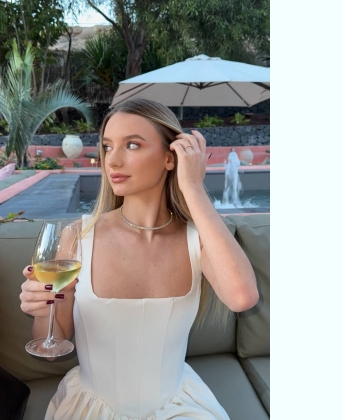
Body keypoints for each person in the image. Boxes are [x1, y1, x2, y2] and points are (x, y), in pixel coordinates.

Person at [20, 98, 259, 419]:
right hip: (92, 407)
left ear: (170, 158)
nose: (113, 160)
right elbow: (52, 344)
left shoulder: (198, 239)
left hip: (179, 408)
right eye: (107, 146)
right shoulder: (78, 236)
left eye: (132, 145)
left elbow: (242, 298)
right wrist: (41, 311)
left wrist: (193, 188)